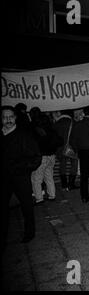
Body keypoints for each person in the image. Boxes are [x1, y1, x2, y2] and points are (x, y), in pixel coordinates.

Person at [1, 106, 41, 247]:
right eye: (5, 117)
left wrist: (21, 167)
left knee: (26, 206)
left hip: (20, 177)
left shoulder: (23, 135)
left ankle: (29, 233)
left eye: (10, 117)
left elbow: (36, 158)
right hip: (4, 178)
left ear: (15, 117)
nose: (8, 120)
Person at [30, 108, 63, 204]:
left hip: (41, 156)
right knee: (49, 176)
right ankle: (52, 195)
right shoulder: (51, 129)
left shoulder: (35, 130)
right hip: (51, 155)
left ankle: (39, 198)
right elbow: (59, 140)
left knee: (37, 178)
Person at [52, 110, 79, 191]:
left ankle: (64, 184)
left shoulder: (56, 124)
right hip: (72, 147)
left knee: (62, 165)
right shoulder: (73, 122)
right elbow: (76, 137)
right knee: (74, 165)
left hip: (60, 148)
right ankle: (71, 184)